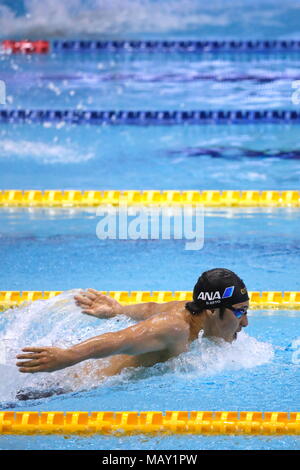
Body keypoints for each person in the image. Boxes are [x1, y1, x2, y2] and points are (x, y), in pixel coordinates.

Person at [16, 268, 249, 377]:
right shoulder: (175, 328)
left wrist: (117, 310)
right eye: (240, 312)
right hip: (70, 388)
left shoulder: (190, 308)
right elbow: (119, 339)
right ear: (211, 311)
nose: (245, 322)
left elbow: (150, 308)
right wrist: (69, 356)